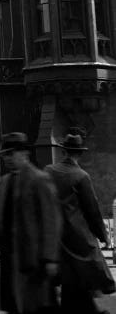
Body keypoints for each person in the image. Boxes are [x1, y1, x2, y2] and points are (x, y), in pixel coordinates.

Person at [0, 132, 61, 314]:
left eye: (11, 154)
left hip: (34, 259)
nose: (7, 159)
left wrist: (50, 258)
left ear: (24, 153)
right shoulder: (4, 182)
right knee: (15, 305)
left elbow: (51, 221)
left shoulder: (40, 180)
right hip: (10, 259)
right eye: (5, 155)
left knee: (36, 306)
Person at [45, 131, 115, 313]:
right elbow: (92, 211)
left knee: (72, 287)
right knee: (81, 282)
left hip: (54, 238)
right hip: (77, 240)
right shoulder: (81, 176)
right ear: (80, 154)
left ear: (63, 152)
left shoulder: (48, 172)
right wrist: (104, 236)